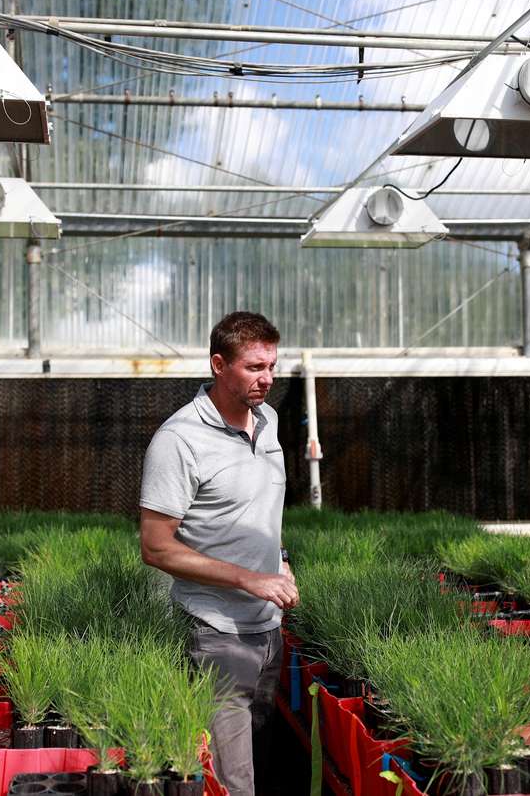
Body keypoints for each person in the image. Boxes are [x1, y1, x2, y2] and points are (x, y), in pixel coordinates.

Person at [139, 310, 299, 796]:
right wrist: (248, 578)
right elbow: (155, 547)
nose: (266, 378)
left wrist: (280, 559)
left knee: (263, 760)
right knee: (232, 781)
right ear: (217, 364)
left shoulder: (268, 421)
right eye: (253, 367)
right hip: (216, 634)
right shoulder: (179, 440)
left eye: (271, 365)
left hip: (268, 630)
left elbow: (261, 508)